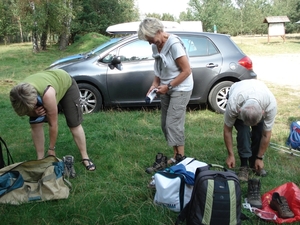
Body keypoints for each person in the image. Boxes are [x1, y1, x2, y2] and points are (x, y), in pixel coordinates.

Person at [9, 69, 96, 171]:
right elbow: (28, 112)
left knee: (74, 124)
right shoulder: (19, 95)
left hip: (65, 83)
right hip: (44, 86)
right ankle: (40, 159)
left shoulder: (47, 95)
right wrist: (34, 113)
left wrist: (51, 148)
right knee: (36, 124)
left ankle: (85, 157)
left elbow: (53, 124)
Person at [137, 18, 194, 173]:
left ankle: (180, 160)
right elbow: (159, 67)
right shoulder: (156, 45)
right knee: (165, 124)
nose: (149, 43)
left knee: (173, 124)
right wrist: (155, 84)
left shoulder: (174, 44)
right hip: (165, 87)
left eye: (150, 39)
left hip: (181, 87)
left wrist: (168, 86)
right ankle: (176, 156)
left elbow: (187, 71)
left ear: (158, 31)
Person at [223, 79, 277, 181]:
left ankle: (254, 163)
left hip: (258, 93)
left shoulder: (270, 104)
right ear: (239, 111)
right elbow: (227, 130)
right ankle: (244, 166)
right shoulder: (234, 103)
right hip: (239, 91)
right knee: (244, 132)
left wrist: (260, 157)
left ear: (262, 112)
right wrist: (230, 155)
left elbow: (266, 134)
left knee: (259, 132)